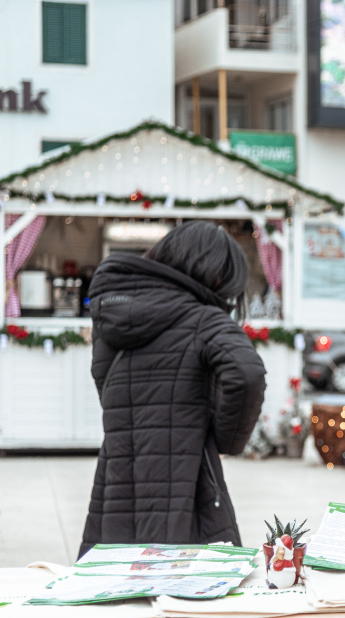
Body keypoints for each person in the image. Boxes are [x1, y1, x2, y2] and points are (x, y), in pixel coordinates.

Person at [79, 221, 266, 555]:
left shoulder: (112, 314)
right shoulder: (203, 319)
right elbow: (246, 373)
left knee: (119, 576)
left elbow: (104, 382)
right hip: (186, 481)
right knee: (188, 579)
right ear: (213, 273)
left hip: (117, 478)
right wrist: (227, 440)